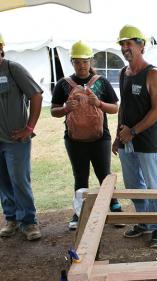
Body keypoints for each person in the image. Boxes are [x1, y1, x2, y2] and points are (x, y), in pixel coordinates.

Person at [51, 40, 123, 231]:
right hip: (74, 140)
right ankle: (79, 211)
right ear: (72, 62)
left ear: (90, 61)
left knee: (104, 175)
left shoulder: (101, 82)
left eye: (85, 61)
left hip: (100, 138)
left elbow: (115, 108)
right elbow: (53, 111)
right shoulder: (63, 84)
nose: (82, 65)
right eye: (77, 61)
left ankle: (113, 206)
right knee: (80, 176)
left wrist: (98, 103)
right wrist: (66, 108)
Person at [112, 25, 157, 248]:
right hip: (126, 140)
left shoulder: (152, 74)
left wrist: (133, 131)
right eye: (122, 44)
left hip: (147, 141)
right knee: (134, 184)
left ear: (141, 45)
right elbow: (124, 107)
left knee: (153, 185)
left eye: (129, 43)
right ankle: (145, 222)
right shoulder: (123, 73)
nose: (125, 48)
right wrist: (119, 135)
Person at [0, 33, 43, 241]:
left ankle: (29, 221)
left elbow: (36, 95)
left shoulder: (12, 69)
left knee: (19, 180)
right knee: (3, 181)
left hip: (16, 140)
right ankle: (11, 218)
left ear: (1, 48)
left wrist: (29, 127)